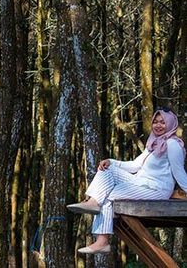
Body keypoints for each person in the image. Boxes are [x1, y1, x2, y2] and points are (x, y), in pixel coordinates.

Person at [67, 108, 187, 254]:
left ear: (171, 123)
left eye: (163, 122)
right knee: (107, 170)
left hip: (157, 189)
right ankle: (94, 203)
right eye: (155, 122)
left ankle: (102, 241)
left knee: (110, 194)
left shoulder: (173, 144)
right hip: (141, 182)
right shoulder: (154, 143)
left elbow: (179, 173)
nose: (158, 125)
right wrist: (111, 162)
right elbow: (135, 165)